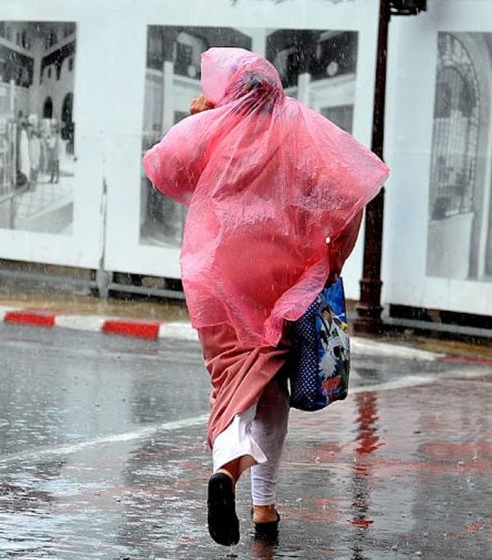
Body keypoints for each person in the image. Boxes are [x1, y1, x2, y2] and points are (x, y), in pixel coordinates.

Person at [142, 48, 389, 546]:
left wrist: (207, 124)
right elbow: (350, 192)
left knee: (231, 379)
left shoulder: (216, 128)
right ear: (273, 88)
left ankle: (227, 473)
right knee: (272, 385)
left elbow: (163, 166)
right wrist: (331, 258)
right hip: (277, 275)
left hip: (215, 274)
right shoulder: (298, 129)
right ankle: (263, 506)